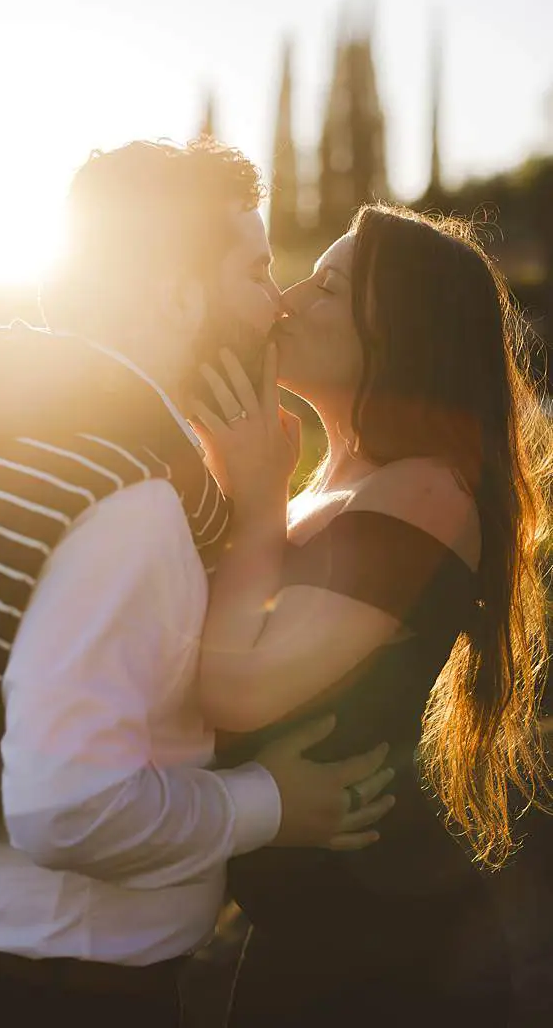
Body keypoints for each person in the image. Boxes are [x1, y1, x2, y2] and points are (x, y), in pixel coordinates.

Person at [0, 140, 395, 1028]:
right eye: (255, 269)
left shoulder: (62, 433)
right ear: (176, 297)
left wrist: (253, 501)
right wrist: (268, 803)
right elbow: (66, 809)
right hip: (40, 996)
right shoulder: (130, 505)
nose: (276, 303)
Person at [193, 205, 553, 1027]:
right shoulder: (333, 489)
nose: (285, 299)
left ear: (396, 329)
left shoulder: (427, 490)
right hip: (313, 945)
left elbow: (237, 690)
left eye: (326, 288)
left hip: (394, 961)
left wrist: (255, 502)